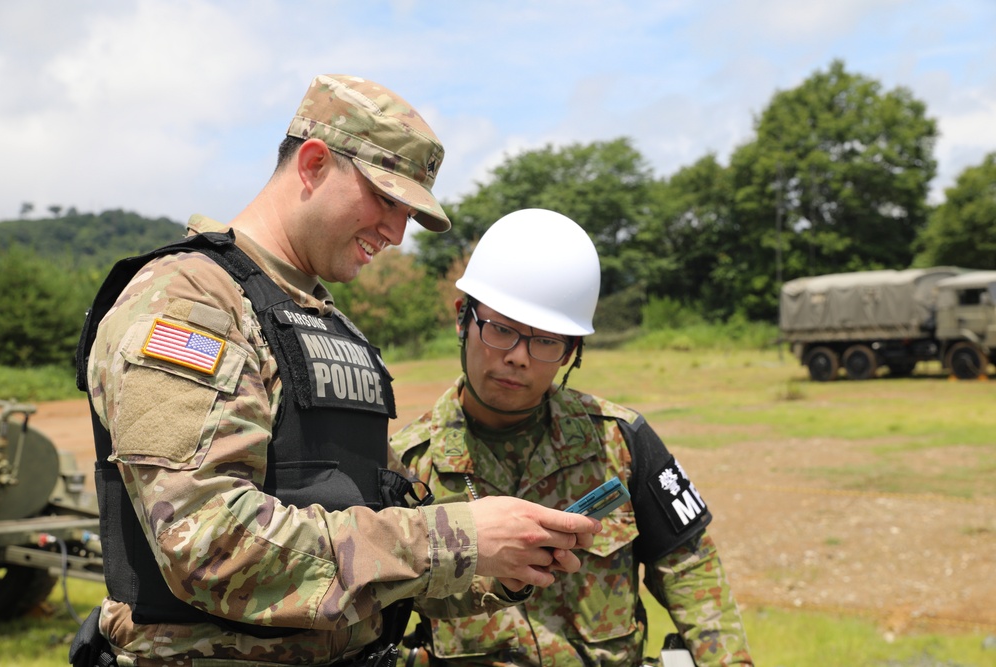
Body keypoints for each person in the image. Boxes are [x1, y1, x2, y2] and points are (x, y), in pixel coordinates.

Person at [72, 76, 600, 667]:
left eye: (409, 214)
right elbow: (210, 547)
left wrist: (504, 560)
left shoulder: (324, 322)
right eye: (386, 200)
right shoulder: (190, 299)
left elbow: (380, 536)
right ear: (314, 163)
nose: (397, 234)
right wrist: (460, 538)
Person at [392, 209, 754, 667]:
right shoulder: (407, 466)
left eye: (546, 341)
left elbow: (690, 568)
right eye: (501, 330)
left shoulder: (620, 442)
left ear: (572, 352)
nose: (519, 358)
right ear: (463, 320)